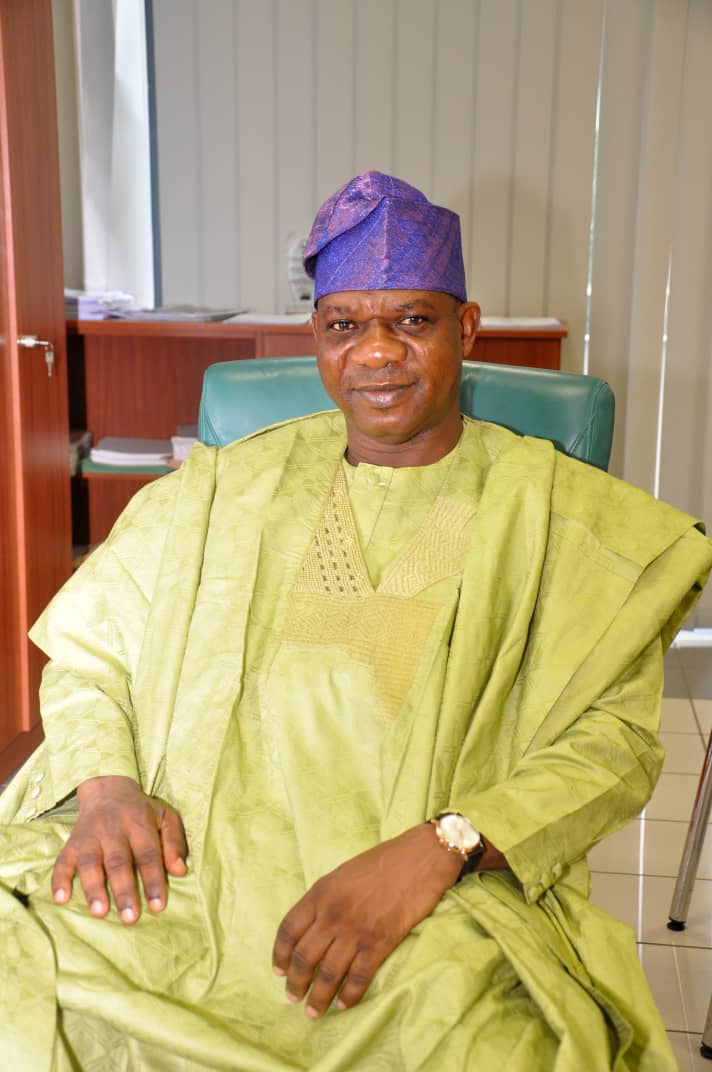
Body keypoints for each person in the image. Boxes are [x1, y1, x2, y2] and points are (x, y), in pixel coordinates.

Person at [0, 171, 710, 1071]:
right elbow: (90, 658)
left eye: (411, 320)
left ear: (466, 328)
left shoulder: (562, 516)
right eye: (345, 326)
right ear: (318, 338)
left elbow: (614, 746)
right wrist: (106, 790)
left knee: (487, 1042)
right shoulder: (221, 489)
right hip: (187, 869)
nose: (376, 352)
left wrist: (447, 845)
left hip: (430, 896)